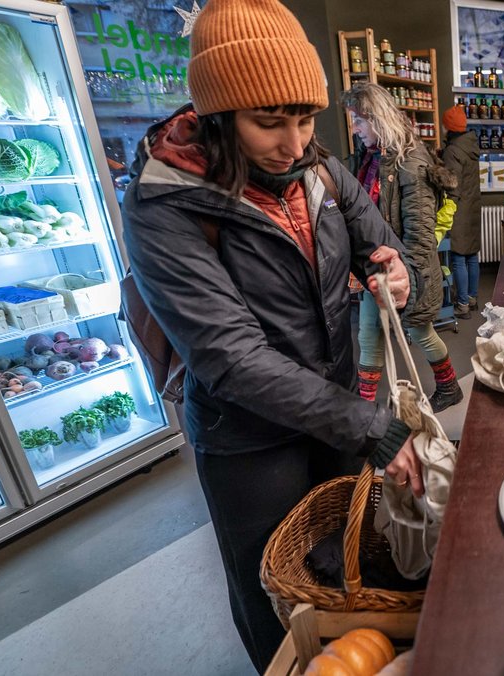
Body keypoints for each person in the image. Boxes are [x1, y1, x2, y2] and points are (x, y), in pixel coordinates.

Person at [121, 0, 425, 669]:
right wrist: (374, 429)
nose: (294, 143)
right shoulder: (163, 201)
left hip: (340, 412)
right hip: (248, 439)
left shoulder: (320, 171)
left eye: (305, 117)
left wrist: (398, 278)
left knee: (343, 566)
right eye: (269, 123)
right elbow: (230, 358)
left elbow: (386, 248)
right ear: (218, 115)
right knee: (273, 596)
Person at [342, 82, 464, 412]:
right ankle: (365, 413)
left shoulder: (410, 163)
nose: (355, 128)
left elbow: (421, 235)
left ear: (377, 119)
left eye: (359, 121)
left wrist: (405, 277)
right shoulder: (370, 158)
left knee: (421, 333)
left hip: (409, 270)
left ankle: (449, 387)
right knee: (369, 338)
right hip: (376, 268)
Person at [439, 105, 483, 319]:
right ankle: (472, 298)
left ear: (449, 127)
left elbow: (452, 185)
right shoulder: (470, 146)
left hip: (459, 209)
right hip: (473, 206)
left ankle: (462, 304)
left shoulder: (453, 151)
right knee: (472, 256)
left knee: (458, 257)